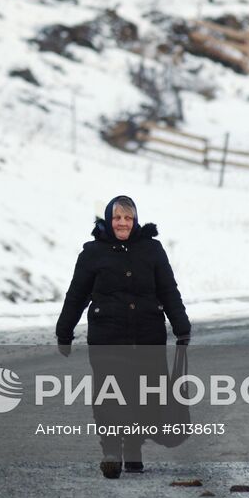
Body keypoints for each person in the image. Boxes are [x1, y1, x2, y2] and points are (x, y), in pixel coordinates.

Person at [55, 195, 191, 478]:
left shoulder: (152, 250)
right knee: (110, 393)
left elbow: (168, 289)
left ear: (135, 220)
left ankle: (133, 448)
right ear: (108, 220)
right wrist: (64, 330)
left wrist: (181, 325)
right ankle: (111, 450)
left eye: (128, 218)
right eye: (117, 218)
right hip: (107, 336)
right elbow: (76, 294)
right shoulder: (92, 253)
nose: (122, 223)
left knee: (145, 395)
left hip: (148, 336)